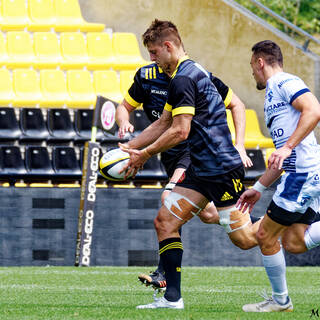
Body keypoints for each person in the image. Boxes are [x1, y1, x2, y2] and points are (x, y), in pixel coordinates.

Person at [118, 19, 254, 309]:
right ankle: (172, 298)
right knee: (165, 221)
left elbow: (180, 130)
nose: (151, 59)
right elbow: (163, 122)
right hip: (200, 169)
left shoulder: (185, 77)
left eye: (154, 52)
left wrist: (144, 154)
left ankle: (292, 225)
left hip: (219, 167)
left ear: (168, 46)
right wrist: (130, 148)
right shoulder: (181, 74)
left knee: (246, 239)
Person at [237, 40, 320, 312]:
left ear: (260, 62)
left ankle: (281, 301)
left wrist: (287, 146)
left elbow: (314, 110)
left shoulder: (284, 82)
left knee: (264, 235)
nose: (252, 73)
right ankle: (281, 300)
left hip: (301, 175)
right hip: (301, 174)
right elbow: (280, 158)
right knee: (295, 242)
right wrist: (259, 188)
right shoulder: (273, 95)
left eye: (252, 66)